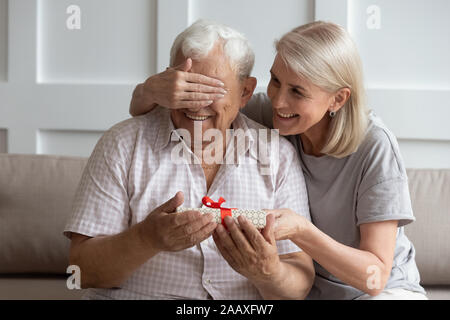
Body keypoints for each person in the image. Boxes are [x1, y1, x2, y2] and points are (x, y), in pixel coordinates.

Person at [130, 21, 427, 300]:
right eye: (275, 81)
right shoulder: (267, 113)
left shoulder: (375, 147)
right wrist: (150, 89)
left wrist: (301, 229)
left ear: (337, 99)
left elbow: (374, 276)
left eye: (297, 91)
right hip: (313, 292)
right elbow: (154, 110)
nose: (278, 101)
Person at [64, 19, 314, 300]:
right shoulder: (123, 143)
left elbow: (299, 283)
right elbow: (80, 271)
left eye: (212, 90)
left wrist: (268, 273)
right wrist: (146, 239)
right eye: (188, 87)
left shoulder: (277, 156)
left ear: (244, 92)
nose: (196, 103)